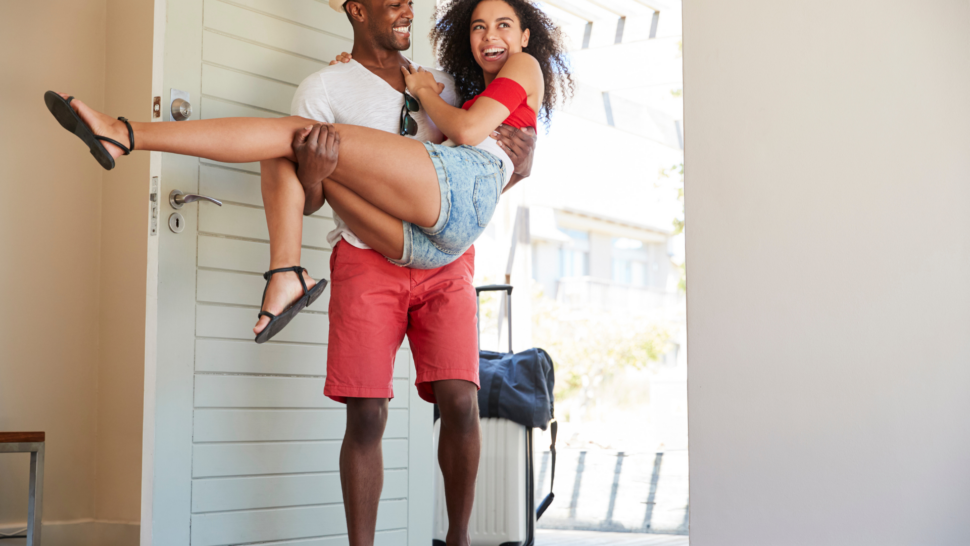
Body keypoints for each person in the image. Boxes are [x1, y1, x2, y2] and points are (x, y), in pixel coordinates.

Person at [45, 1, 571, 545]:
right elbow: (313, 198)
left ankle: (130, 139)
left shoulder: (442, 82)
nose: (405, 6)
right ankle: (280, 268)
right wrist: (315, 174)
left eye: (502, 25)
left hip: (447, 254)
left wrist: (447, 107)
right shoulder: (326, 85)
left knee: (461, 399)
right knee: (291, 146)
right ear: (355, 9)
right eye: (480, 26)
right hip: (377, 250)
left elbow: (485, 152)